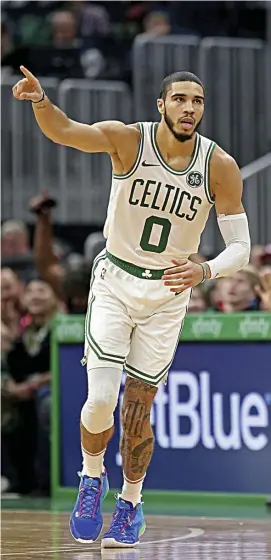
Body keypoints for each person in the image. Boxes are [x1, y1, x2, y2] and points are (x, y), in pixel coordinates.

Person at [12, 67, 251, 548]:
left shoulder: (218, 165)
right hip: (117, 280)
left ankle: (131, 503)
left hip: (168, 293)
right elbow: (67, 131)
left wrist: (204, 272)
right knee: (101, 399)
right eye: (180, 99)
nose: (189, 108)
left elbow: (240, 247)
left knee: (138, 409)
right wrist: (41, 101)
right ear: (161, 104)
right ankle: (91, 477)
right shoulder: (128, 141)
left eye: (198, 101)